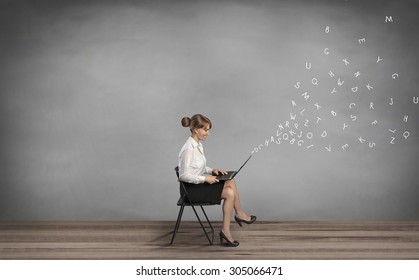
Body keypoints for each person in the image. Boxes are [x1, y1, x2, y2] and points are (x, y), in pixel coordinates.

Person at [178, 114, 256, 247]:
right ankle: (226, 231)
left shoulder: (197, 144)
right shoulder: (188, 149)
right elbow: (183, 175)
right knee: (229, 193)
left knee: (230, 181)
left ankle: (240, 213)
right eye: (206, 130)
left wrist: (212, 170)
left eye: (208, 130)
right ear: (196, 129)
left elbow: (197, 167)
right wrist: (205, 178)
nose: (208, 133)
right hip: (191, 191)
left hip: (198, 185)